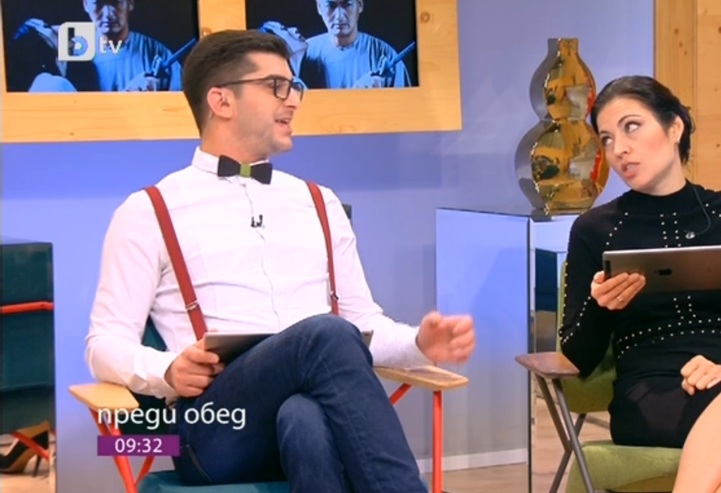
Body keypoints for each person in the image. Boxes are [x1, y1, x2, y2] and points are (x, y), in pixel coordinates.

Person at [84, 29, 475, 492]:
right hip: (213, 427)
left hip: (307, 415)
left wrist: (418, 343)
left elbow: (362, 325)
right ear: (221, 101)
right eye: (276, 86)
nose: (293, 100)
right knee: (323, 335)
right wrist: (166, 370)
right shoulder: (148, 211)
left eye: (294, 86)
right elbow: (103, 345)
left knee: (304, 417)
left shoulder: (320, 202)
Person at [559, 75, 721, 493]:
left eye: (632, 127)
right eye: (607, 139)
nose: (619, 149)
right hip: (652, 394)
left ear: (674, 127)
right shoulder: (594, 229)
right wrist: (602, 307)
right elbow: (577, 358)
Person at [10, 0, 183, 92]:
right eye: (98, 3)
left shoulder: (157, 53)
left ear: (130, 3)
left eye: (116, 2)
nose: (108, 14)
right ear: (86, 4)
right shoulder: (70, 56)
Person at [260, 0, 412, 89]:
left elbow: (405, 111)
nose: (339, 16)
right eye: (331, 6)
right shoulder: (303, 55)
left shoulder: (385, 54)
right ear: (319, 7)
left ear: (360, 5)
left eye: (347, 5)